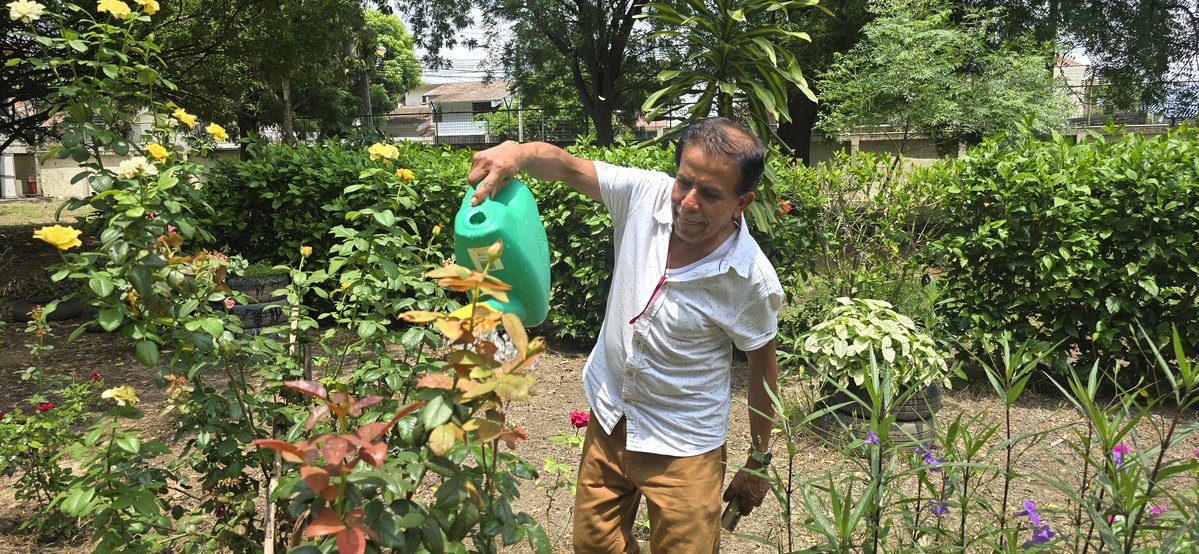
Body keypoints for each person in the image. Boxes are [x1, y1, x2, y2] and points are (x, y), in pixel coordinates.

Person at [467, 117, 782, 553]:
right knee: (594, 545)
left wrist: (760, 460)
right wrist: (516, 153)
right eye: (684, 183)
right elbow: (567, 167)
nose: (689, 203)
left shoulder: (750, 278)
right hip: (611, 417)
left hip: (685, 447)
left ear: (741, 202)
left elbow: (763, 369)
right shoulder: (644, 194)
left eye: (710, 195)